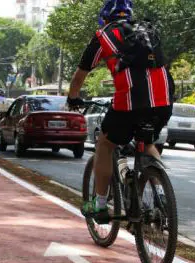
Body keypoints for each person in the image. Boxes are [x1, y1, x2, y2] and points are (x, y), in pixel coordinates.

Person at [66, 0, 175, 223]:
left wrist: (73, 98)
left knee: (105, 144)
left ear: (104, 18)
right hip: (164, 100)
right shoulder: (146, 29)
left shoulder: (103, 35)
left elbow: (80, 75)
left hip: (130, 102)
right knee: (149, 142)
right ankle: (162, 196)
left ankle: (100, 204)